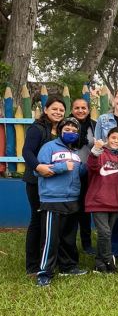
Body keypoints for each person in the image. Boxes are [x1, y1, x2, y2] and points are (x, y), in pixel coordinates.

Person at [34, 117, 87, 286]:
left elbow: (81, 173)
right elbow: (38, 171)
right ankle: (44, 272)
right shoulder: (48, 147)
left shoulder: (76, 153)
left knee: (68, 237)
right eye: (67, 130)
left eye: (74, 131)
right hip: (52, 200)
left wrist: (91, 162)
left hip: (72, 199)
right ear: (60, 131)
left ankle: (68, 267)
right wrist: (62, 166)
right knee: (51, 238)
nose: (70, 133)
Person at [22, 96, 65, 276]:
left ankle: (46, 260)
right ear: (45, 110)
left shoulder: (62, 130)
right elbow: (27, 152)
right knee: (37, 221)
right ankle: (32, 265)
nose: (58, 112)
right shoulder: (37, 128)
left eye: (61, 110)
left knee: (50, 224)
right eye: (54, 109)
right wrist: (39, 167)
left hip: (54, 184)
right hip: (36, 181)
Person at [85, 128, 118, 273]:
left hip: (115, 202)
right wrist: (95, 151)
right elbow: (92, 166)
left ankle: (99, 264)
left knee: (106, 234)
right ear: (108, 138)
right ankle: (108, 260)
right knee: (105, 233)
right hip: (98, 201)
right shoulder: (100, 153)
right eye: (113, 137)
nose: (115, 141)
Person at [70, 97, 96, 255]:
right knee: (72, 209)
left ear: (88, 109)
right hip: (70, 173)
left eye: (83, 108)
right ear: (72, 110)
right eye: (77, 108)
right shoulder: (67, 126)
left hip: (89, 173)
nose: (80, 111)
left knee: (86, 209)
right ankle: (69, 243)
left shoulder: (94, 125)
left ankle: (87, 244)